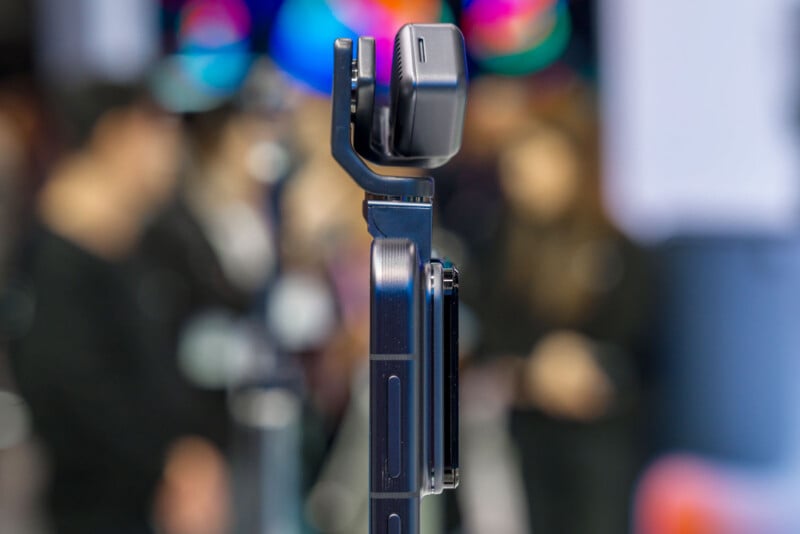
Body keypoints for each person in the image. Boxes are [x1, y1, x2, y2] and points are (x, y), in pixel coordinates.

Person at [8, 86, 228, 534]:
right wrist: (168, 466)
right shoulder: (59, 257)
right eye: (160, 130)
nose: (173, 149)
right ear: (117, 136)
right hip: (101, 510)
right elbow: (72, 393)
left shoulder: (140, 240)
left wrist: (190, 453)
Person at [470, 111, 651, 533]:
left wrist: (593, 369)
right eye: (513, 167)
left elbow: (643, 345)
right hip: (524, 436)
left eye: (536, 161)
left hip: (601, 433)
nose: (522, 178)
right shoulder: (501, 250)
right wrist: (534, 368)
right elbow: (485, 331)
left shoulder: (620, 250)